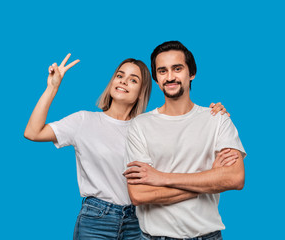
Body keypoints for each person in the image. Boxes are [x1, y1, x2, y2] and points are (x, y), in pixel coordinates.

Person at [24, 53, 228, 240]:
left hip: (139, 219)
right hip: (96, 219)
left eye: (133, 80)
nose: (123, 81)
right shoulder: (84, 121)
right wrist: (52, 87)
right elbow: (33, 132)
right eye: (120, 76)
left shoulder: (146, 128)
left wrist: (212, 113)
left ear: (141, 92)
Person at [124, 41, 246, 240]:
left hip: (207, 236)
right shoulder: (140, 125)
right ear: (156, 79)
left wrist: (162, 177)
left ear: (191, 73)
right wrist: (211, 177)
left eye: (177, 69)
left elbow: (235, 178)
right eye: (162, 71)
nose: (170, 77)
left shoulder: (217, 119)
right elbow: (139, 194)